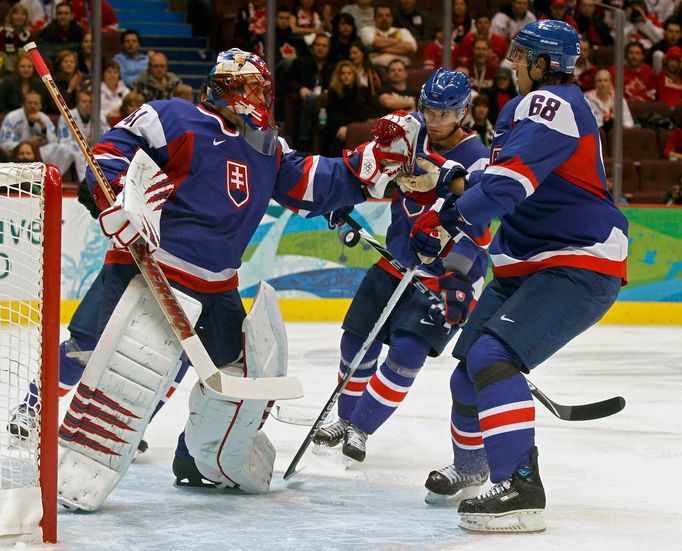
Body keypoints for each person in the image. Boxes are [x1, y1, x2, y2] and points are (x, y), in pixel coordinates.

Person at [80, 48, 427, 493]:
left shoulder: (266, 147)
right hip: (150, 268)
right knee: (89, 349)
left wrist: (368, 164)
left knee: (232, 377)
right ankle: (33, 409)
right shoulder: (173, 117)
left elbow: (310, 182)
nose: (262, 96)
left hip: (216, 286)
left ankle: (197, 456)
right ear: (228, 87)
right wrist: (108, 194)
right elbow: (111, 153)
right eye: (254, 87)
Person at [411, 20, 628, 533]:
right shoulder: (528, 111)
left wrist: (447, 217)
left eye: (520, 55)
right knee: (468, 371)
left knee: (492, 356)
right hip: (527, 261)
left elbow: (508, 185)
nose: (511, 62)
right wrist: (450, 183)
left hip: (574, 260)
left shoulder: (549, 103)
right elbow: (494, 174)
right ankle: (474, 466)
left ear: (543, 63)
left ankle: (521, 486)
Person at [313, 69, 491, 463]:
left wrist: (458, 276)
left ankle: (361, 428)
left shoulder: (479, 160)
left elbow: (480, 226)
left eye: (445, 113)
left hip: (446, 275)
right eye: (429, 109)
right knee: (356, 340)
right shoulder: (409, 135)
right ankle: (345, 418)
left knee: (408, 353)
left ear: (463, 112)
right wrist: (346, 193)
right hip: (397, 261)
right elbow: (369, 168)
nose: (434, 119)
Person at [57, 88, 109, 181]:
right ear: (78, 103)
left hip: (95, 149)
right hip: (74, 150)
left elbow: (106, 138)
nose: (88, 104)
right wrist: (85, 142)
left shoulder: (100, 116)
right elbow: (64, 141)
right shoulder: (67, 115)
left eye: (90, 102)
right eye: (84, 101)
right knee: (74, 152)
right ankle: (84, 184)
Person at [358, 3, 417, 68]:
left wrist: (379, 49)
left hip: (402, 67)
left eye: (387, 16)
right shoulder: (367, 30)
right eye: (380, 16)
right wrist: (397, 41)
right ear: (374, 18)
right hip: (377, 68)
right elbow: (376, 43)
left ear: (392, 18)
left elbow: (410, 47)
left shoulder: (403, 31)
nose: (384, 18)